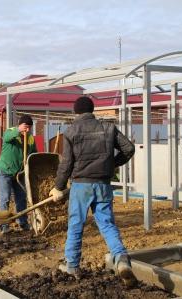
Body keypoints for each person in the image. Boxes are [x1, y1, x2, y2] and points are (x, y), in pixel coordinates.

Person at [49, 96, 137, 286]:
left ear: (76, 112)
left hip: (81, 186)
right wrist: (111, 164)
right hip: (103, 184)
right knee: (106, 224)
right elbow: (128, 148)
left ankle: (71, 265)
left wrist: (58, 187)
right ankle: (121, 258)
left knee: (76, 225)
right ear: (92, 110)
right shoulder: (108, 128)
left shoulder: (71, 131)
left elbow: (66, 164)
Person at [0, 115, 37, 234]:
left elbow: (33, 154)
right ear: (20, 125)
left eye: (30, 128)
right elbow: (7, 137)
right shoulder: (11, 132)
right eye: (26, 127)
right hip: (5, 171)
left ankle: (23, 222)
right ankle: (3, 225)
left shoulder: (30, 138)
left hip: (19, 173)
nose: (27, 130)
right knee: (5, 198)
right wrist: (19, 131)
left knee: (21, 198)